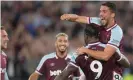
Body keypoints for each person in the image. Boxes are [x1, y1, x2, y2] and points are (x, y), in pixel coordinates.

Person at [54, 23, 130, 80]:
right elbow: (127, 64)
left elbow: (63, 75)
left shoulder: (79, 53)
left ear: (86, 36)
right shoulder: (110, 49)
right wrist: (118, 56)